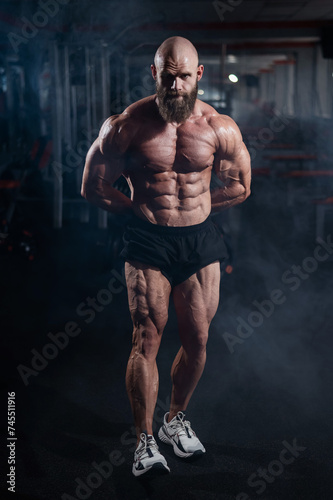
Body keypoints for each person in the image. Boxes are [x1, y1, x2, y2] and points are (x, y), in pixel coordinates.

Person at [81, 36, 251, 477]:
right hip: (148, 241)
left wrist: (199, 209)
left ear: (199, 76)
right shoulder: (126, 126)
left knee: (197, 340)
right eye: (167, 76)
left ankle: (175, 418)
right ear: (155, 74)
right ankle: (144, 439)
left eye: (184, 77)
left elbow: (240, 184)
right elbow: (93, 186)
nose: (175, 86)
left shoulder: (220, 127)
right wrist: (134, 210)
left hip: (199, 241)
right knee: (146, 338)